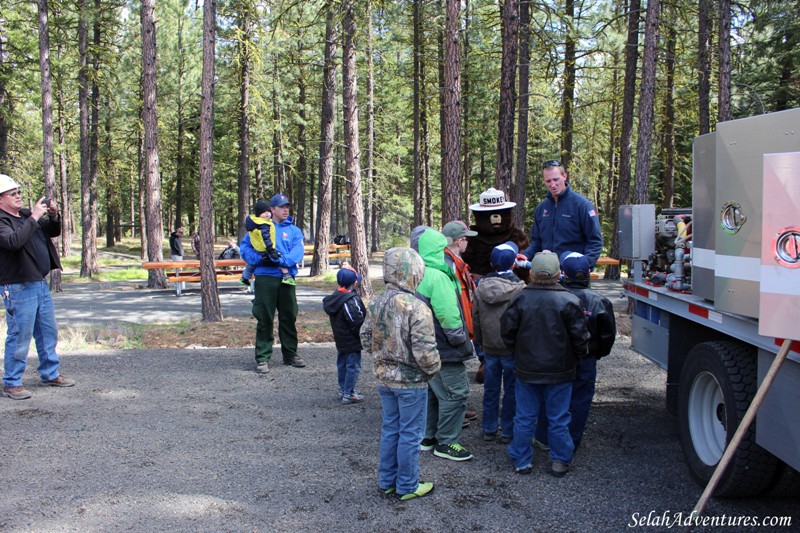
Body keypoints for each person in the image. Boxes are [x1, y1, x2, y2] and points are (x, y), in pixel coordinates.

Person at [361, 247, 441, 501]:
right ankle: (407, 485)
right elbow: (424, 350)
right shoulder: (416, 307)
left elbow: (365, 337)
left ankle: (387, 481)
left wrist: (381, 357)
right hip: (411, 382)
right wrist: (432, 370)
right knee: (410, 434)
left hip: (384, 379)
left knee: (391, 429)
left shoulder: (376, 301)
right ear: (413, 272)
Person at [501, 251, 589, 477]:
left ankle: (521, 459)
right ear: (559, 273)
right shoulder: (569, 300)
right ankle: (560, 460)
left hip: (527, 368)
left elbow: (507, 332)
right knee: (558, 417)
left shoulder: (519, 298)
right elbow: (580, 338)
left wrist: (517, 353)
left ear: (531, 273)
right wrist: (576, 357)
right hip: (560, 370)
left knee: (525, 416)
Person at [0, 174, 75, 400]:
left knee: (47, 332)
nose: (18, 196)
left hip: (38, 283)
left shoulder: (23, 215)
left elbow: (52, 231)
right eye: (12, 194)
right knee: (19, 335)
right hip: (17, 285)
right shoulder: (3, 221)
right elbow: (13, 242)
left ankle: (50, 373)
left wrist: (53, 215)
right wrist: (34, 216)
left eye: (18, 192)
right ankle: (12, 382)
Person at [413, 226, 475, 462]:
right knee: (456, 393)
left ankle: (428, 437)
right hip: (445, 348)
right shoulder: (438, 275)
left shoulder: (419, 272)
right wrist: (460, 339)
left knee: (433, 391)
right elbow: (448, 315)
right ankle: (447, 442)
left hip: (426, 345)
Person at [240, 193, 306, 372]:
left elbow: (298, 252)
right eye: (282, 206)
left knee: (289, 316)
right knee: (264, 317)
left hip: (287, 278)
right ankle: (262, 358)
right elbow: (245, 249)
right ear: (272, 209)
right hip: (265, 277)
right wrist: (260, 259)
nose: (286, 210)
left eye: (288, 207)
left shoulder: (294, 230)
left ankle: (290, 354)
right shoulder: (259, 227)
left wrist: (280, 261)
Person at [559, 251, 616, 450]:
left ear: (563, 273)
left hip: (560, 359)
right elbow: (607, 335)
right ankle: (571, 442)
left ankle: (552, 439)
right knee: (580, 400)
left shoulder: (557, 297)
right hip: (586, 358)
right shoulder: (599, 301)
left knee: (557, 398)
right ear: (589, 271)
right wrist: (597, 353)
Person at [472, 242, 525, 444]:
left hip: (490, 348)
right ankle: (507, 430)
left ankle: (489, 428)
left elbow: (476, 317)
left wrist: (480, 342)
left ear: (492, 263)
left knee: (491, 390)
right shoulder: (520, 289)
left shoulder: (480, 288)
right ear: (513, 264)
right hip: (512, 349)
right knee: (512, 391)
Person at [520, 160, 603, 269]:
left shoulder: (582, 206)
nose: (553, 184)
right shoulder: (541, 209)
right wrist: (525, 255)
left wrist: (584, 266)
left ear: (564, 176)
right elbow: (536, 242)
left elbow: (595, 242)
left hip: (573, 273)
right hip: (546, 272)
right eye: (548, 181)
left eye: (556, 179)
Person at [441, 220, 479, 426]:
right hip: (453, 329)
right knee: (450, 375)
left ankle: (457, 413)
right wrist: (457, 330)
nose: (467, 243)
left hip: (460, 326)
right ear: (458, 241)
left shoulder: (456, 262)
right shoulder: (447, 265)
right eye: (465, 239)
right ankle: (451, 421)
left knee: (453, 373)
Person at [322, 266, 367, 405]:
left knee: (342, 364)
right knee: (352, 366)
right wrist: (364, 334)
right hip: (351, 340)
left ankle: (343, 389)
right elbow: (356, 321)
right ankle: (349, 393)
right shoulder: (350, 300)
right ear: (354, 283)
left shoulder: (335, 297)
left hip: (340, 338)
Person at [239, 200, 292, 287]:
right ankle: (286, 276)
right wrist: (270, 249)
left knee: (253, 264)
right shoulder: (263, 225)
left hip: (258, 248)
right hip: (265, 248)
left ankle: (244, 277)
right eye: (264, 212)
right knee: (278, 259)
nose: (267, 214)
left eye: (268, 211)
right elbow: (266, 238)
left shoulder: (256, 223)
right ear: (258, 214)